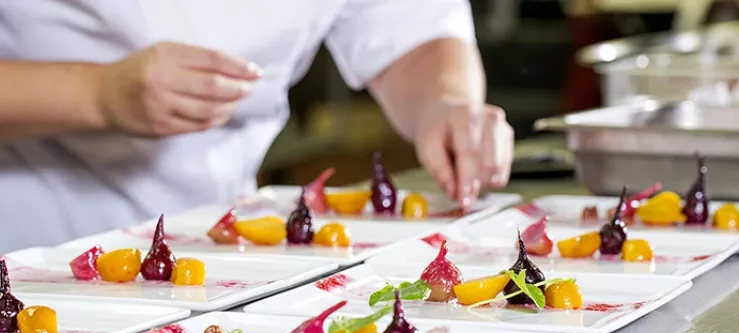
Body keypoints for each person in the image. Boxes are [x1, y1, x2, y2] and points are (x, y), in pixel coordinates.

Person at [0, 0, 514, 253]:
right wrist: (97, 95)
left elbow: (411, 31)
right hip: (30, 241)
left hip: (221, 250)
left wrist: (444, 104)